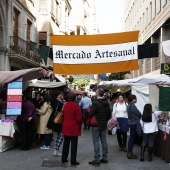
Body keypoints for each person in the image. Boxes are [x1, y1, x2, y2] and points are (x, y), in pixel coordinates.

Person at [88, 88, 111, 166]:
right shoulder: (106, 103)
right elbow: (109, 114)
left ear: (98, 94)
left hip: (96, 124)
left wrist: (88, 111)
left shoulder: (95, 103)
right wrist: (105, 120)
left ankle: (97, 159)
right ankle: (105, 158)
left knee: (96, 141)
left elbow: (90, 114)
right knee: (104, 140)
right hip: (103, 124)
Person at [61, 93, 82, 165]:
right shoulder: (76, 106)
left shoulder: (65, 105)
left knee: (65, 143)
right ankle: (73, 160)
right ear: (75, 98)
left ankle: (64, 158)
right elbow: (79, 118)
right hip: (74, 126)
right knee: (73, 145)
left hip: (66, 125)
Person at [47, 90, 64, 156]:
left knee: (58, 135)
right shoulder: (59, 102)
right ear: (57, 95)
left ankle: (56, 150)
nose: (62, 96)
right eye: (60, 95)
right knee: (60, 136)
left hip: (54, 119)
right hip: (58, 119)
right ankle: (56, 150)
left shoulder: (54, 101)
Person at [127, 94, 141, 159]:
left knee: (131, 138)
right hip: (133, 123)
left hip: (130, 122)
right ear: (133, 99)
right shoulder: (132, 106)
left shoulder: (128, 105)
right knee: (132, 138)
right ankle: (130, 153)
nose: (136, 100)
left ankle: (129, 152)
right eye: (135, 98)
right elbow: (139, 113)